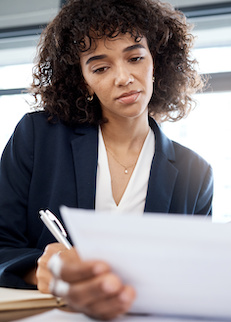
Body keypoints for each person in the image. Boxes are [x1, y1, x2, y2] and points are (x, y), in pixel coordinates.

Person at [0, 0, 213, 319]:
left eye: (135, 58)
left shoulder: (195, 173)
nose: (123, 77)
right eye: (101, 67)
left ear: (158, 61)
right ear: (82, 79)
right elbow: (2, 242)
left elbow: (195, 275)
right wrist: (44, 272)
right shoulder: (38, 137)